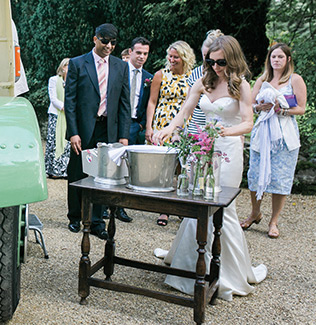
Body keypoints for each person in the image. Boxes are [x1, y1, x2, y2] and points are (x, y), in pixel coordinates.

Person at [153, 35, 267, 302]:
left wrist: (223, 131)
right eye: (210, 61)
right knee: (196, 204)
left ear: (232, 59)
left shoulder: (242, 86)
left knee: (222, 210)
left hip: (227, 151)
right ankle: (189, 269)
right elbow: (184, 113)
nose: (215, 66)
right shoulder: (202, 82)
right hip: (201, 149)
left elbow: (248, 123)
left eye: (221, 62)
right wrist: (169, 128)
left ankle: (228, 274)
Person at [64, 23, 130, 240]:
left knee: (104, 175)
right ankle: (75, 217)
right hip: (83, 128)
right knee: (77, 172)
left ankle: (97, 222)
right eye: (105, 41)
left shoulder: (121, 66)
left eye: (113, 43)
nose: (109, 46)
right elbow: (70, 101)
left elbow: (124, 103)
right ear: (95, 39)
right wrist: (73, 132)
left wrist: (124, 135)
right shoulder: (77, 63)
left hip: (108, 128)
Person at [242, 43, 307, 238]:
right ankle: (255, 212)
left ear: (287, 59)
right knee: (254, 173)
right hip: (263, 132)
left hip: (284, 133)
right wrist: (258, 108)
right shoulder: (263, 79)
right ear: (269, 60)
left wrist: (282, 110)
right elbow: (250, 104)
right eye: (273, 57)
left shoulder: (295, 80)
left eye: (280, 57)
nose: (276, 60)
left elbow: (301, 108)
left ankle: (274, 221)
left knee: (281, 178)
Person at [145, 40, 195, 226]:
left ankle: (180, 206)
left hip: (183, 126)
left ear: (184, 58)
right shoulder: (161, 75)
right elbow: (152, 101)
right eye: (170, 56)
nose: (172, 60)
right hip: (162, 124)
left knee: (183, 168)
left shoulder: (192, 77)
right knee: (165, 168)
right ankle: (163, 209)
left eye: (176, 57)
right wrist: (149, 127)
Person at [112, 37, 152, 223]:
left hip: (136, 125)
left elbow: (150, 102)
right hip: (118, 123)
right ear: (130, 52)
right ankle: (105, 205)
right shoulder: (119, 71)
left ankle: (121, 207)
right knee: (113, 165)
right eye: (138, 53)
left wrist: (143, 123)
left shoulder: (149, 77)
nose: (142, 57)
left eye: (145, 53)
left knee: (129, 167)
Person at [186, 29, 224, 135]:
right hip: (196, 128)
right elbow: (188, 105)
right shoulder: (196, 73)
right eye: (204, 55)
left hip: (220, 129)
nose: (206, 60)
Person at [45, 58, 71, 178]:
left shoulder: (73, 81)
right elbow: (53, 98)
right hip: (56, 114)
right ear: (62, 67)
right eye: (67, 65)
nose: (69, 68)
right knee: (53, 142)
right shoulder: (54, 80)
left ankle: (63, 170)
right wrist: (64, 107)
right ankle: (52, 170)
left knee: (66, 143)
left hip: (69, 116)